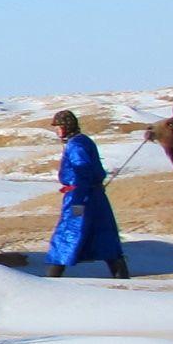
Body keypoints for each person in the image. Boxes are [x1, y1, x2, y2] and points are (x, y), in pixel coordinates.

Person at [45, 110, 129, 279]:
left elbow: (81, 170)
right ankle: (121, 276)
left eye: (58, 127)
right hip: (95, 197)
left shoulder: (75, 145)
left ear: (66, 127)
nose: (57, 131)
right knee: (103, 234)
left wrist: (78, 199)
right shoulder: (83, 141)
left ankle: (52, 278)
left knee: (69, 232)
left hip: (79, 198)